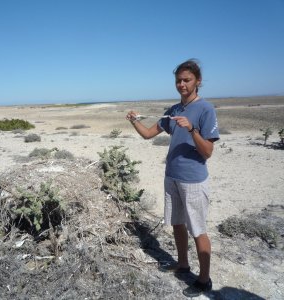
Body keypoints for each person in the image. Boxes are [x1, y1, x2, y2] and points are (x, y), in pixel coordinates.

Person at [126, 59, 219, 298]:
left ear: (197, 81)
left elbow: (207, 151)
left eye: (186, 80)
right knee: (178, 223)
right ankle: (183, 264)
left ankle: (204, 279)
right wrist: (135, 120)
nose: (181, 84)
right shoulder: (173, 110)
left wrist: (191, 129)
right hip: (172, 176)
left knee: (197, 228)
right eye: (178, 80)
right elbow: (148, 134)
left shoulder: (206, 109)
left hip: (194, 179)